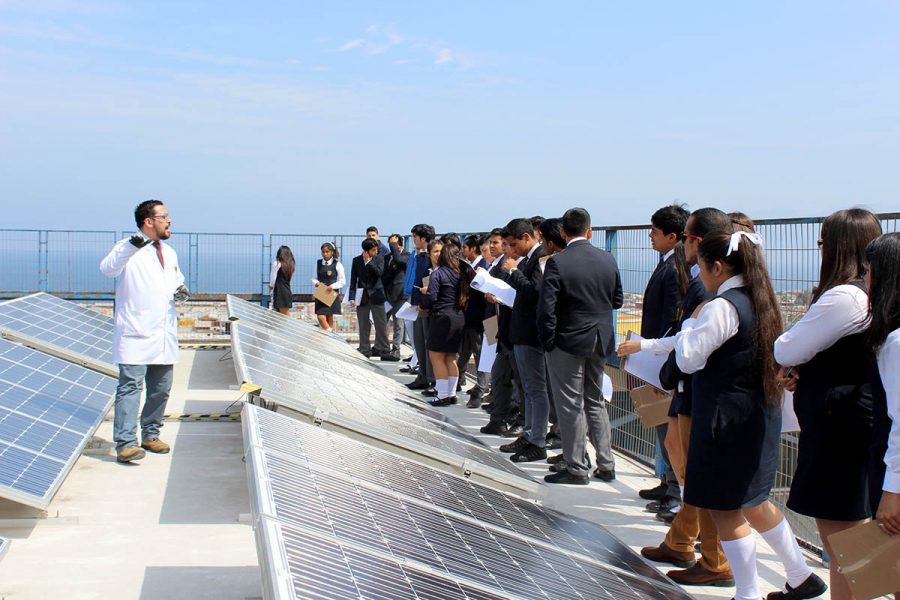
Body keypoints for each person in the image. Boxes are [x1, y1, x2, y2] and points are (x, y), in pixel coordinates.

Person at [675, 230, 826, 600]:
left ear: (718, 265)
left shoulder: (721, 307)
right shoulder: (764, 301)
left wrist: (687, 326)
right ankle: (800, 574)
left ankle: (747, 591)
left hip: (724, 422)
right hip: (758, 416)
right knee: (755, 502)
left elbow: (688, 358)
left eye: (701, 266)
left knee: (726, 510)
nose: (699, 274)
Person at [622, 207, 734, 586]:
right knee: (682, 458)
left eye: (685, 236)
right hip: (689, 384)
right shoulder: (695, 278)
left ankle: (714, 558)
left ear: (694, 242)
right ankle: (683, 540)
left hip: (696, 387)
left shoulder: (706, 288)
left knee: (696, 471)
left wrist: (663, 367)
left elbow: (688, 342)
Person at [774, 208, 882, 599]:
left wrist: (797, 362)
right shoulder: (869, 293)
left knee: (841, 539)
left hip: (839, 428)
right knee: (848, 537)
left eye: (822, 243)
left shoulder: (844, 297)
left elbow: (787, 345)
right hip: (851, 421)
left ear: (835, 247)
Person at [537, 207, 623, 484]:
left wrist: (548, 340)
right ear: (590, 231)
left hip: (568, 340)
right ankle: (606, 464)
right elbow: (618, 300)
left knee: (570, 403)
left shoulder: (557, 262)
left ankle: (575, 467)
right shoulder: (607, 259)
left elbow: (546, 308)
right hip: (600, 338)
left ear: (563, 232)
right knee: (595, 400)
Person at [100, 199, 185, 464]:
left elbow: (175, 277)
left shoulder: (168, 252)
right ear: (149, 222)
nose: (169, 220)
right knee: (131, 386)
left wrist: (180, 288)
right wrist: (132, 246)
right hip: (136, 332)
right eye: (164, 216)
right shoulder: (127, 249)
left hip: (163, 332)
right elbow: (108, 268)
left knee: (161, 388)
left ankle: (151, 434)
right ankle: (125, 443)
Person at [636, 204, 691, 517]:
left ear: (673, 236)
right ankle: (667, 480)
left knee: (669, 426)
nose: (650, 236)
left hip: (661, 358)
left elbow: (672, 317)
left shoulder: (675, 269)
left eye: (655, 232)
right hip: (656, 356)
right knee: (661, 423)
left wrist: (651, 348)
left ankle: (673, 488)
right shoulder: (669, 263)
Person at [498, 218, 549, 463]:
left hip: (531, 334)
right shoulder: (529, 258)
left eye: (514, 243)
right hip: (520, 332)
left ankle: (537, 440)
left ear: (528, 237)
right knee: (527, 388)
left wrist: (514, 272)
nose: (512, 249)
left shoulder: (540, 258)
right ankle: (529, 434)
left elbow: (534, 293)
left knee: (535, 389)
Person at [865, 233, 900, 540]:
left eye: (868, 270)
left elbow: (899, 420)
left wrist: (893, 489)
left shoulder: (896, 343)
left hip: (891, 472)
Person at [419, 243, 473, 407]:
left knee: (436, 357)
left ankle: (442, 395)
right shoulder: (461, 274)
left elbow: (432, 298)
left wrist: (424, 295)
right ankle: (451, 393)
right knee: (450, 357)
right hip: (458, 317)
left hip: (442, 317)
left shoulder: (439, 273)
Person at [458, 234, 490, 407]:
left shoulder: (485, 266)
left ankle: (482, 387)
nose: (487, 252)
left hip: (483, 318)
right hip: (471, 316)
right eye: (486, 249)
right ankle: (460, 379)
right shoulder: (478, 266)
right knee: (466, 350)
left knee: (481, 353)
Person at [406, 224, 437, 393]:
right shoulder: (419, 256)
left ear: (423, 239)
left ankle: (430, 378)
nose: (413, 241)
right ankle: (423, 376)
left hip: (425, 304)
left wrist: (422, 302)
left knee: (426, 342)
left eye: (415, 237)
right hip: (418, 302)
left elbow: (427, 281)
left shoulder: (428, 258)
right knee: (419, 341)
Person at [349, 238, 389, 358]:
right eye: (373, 250)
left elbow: (379, 273)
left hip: (377, 295)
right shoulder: (356, 261)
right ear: (366, 251)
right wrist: (352, 297)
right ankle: (364, 349)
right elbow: (353, 280)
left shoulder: (379, 258)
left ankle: (384, 350)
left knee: (381, 324)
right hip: (362, 297)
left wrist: (369, 262)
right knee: (363, 324)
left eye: (376, 249)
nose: (376, 252)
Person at [381, 234, 410, 361]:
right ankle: (383, 347)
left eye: (394, 243)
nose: (392, 246)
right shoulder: (387, 257)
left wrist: (393, 247)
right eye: (390, 244)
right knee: (383, 322)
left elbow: (399, 261)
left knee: (398, 323)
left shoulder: (407, 256)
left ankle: (396, 349)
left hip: (400, 294)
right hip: (388, 294)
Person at [313, 242, 345, 331]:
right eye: (323, 252)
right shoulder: (318, 263)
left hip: (331, 293)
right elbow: (313, 278)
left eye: (327, 252)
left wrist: (333, 286)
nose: (325, 254)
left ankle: (328, 337)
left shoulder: (337, 264)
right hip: (321, 292)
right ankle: (329, 332)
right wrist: (316, 283)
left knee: (330, 316)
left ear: (332, 252)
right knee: (320, 316)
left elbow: (342, 281)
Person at [268, 245, 295, 316]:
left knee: (283, 317)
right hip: (287, 292)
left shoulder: (277, 263)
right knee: (284, 316)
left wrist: (270, 287)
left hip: (279, 292)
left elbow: (273, 278)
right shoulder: (290, 265)